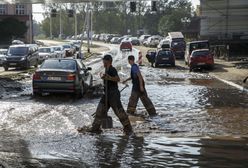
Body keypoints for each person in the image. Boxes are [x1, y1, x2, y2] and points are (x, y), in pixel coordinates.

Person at [87, 55, 133, 135]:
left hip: (113, 95)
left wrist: (109, 78)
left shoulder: (112, 69)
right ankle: (95, 128)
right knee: (100, 110)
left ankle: (128, 129)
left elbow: (117, 79)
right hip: (106, 94)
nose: (103, 63)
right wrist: (103, 76)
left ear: (108, 61)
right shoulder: (106, 69)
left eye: (104, 61)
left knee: (119, 112)